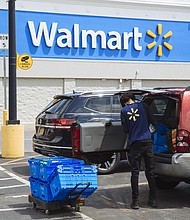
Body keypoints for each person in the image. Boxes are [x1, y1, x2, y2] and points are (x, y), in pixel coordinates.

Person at [120, 93, 157, 210]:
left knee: (135, 172)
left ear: (125, 102)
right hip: (147, 142)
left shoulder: (124, 111)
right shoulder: (144, 106)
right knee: (150, 171)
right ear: (133, 98)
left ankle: (135, 202)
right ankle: (153, 200)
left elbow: (125, 129)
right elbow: (153, 122)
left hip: (135, 144)